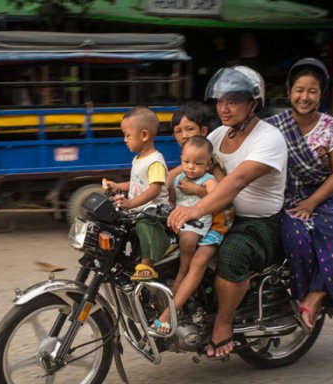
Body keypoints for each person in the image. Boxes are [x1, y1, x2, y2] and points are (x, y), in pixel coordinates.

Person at [168, 66, 288, 359]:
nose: (223, 107)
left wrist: (196, 209)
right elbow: (188, 167)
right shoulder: (220, 135)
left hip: (257, 224)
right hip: (219, 215)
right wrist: (147, 185)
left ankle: (223, 323)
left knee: (232, 255)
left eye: (233, 100)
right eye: (221, 100)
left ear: (253, 103)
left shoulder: (269, 138)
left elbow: (236, 181)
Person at [264, 58, 333, 330]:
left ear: (321, 94)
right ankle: (295, 297)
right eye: (299, 89)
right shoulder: (272, 127)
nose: (304, 97)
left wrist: (312, 201)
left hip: (322, 197)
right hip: (284, 199)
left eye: (312, 91)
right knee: (296, 240)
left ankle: (314, 296)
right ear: (289, 92)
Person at [151, 103, 233, 334]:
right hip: (191, 221)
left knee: (194, 263)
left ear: (204, 130)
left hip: (214, 224)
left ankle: (169, 315)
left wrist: (195, 190)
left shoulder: (209, 163)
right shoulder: (186, 165)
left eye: (189, 129)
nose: (184, 135)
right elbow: (164, 184)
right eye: (178, 131)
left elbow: (219, 194)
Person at [104, 106, 170, 281]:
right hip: (141, 210)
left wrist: (131, 204)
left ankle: (148, 265)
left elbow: (154, 188)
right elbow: (136, 184)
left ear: (144, 135)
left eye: (128, 135)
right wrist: (118, 186)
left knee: (144, 224)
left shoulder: (155, 161)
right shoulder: (139, 158)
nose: (125, 140)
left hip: (154, 212)